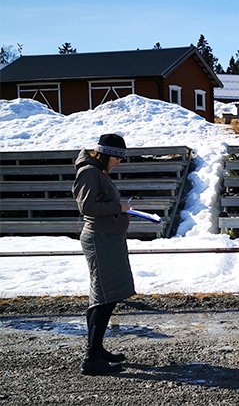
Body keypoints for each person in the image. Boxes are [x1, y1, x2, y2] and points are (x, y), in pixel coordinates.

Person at [72, 133, 135, 375]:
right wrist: (119, 208)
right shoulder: (89, 172)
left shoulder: (97, 172)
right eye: (117, 158)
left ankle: (96, 350)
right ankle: (91, 358)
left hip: (107, 238)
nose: (119, 162)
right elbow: (86, 207)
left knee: (107, 295)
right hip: (100, 239)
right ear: (107, 154)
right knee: (104, 297)